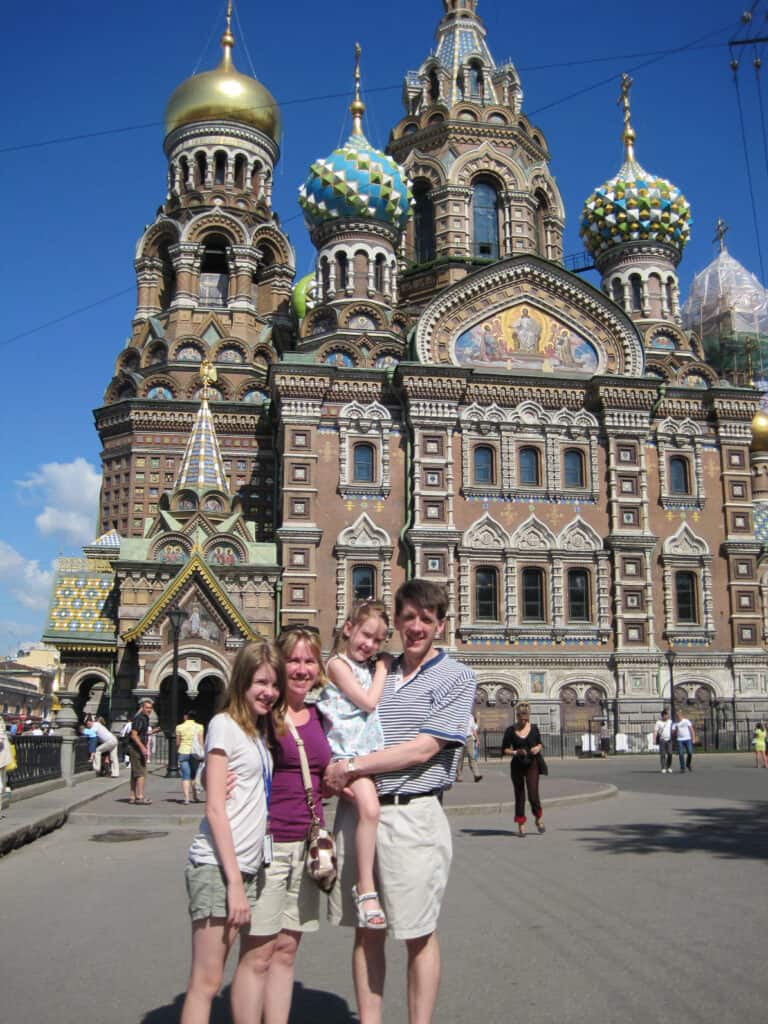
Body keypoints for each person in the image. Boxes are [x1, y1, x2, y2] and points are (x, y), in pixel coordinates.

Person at [326, 579, 477, 1024]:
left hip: (413, 813)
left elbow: (423, 748)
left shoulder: (457, 676)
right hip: (359, 809)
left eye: (426, 620)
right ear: (396, 621)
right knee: (366, 931)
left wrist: (353, 765)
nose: (416, 627)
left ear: (441, 625)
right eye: (408, 617)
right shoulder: (375, 668)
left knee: (418, 932)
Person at [181, 641, 282, 1024]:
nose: (268, 692)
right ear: (241, 681)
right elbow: (215, 807)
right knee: (206, 982)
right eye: (260, 682)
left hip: (247, 866)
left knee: (250, 962)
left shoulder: (255, 732)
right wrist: (234, 882)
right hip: (219, 868)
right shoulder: (224, 724)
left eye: (273, 685)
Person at [244, 627, 333, 1024]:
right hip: (268, 844)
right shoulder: (264, 715)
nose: (301, 669)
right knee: (258, 954)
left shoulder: (321, 716)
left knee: (285, 950)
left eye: (309, 661)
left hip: (308, 846)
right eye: (293, 660)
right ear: (279, 665)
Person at [316, 599, 390, 929]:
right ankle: (366, 888)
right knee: (371, 811)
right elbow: (369, 702)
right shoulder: (337, 664)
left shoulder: (361, 667)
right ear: (348, 629)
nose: (370, 645)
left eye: (377, 641)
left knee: (370, 811)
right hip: (348, 757)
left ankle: (366, 882)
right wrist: (384, 669)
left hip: (362, 755)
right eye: (366, 635)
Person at [502, 703, 545, 837]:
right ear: (517, 716)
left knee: (533, 794)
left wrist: (537, 748)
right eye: (521, 719)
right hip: (517, 765)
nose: (523, 721)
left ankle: (538, 818)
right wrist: (515, 752)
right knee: (520, 795)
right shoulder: (510, 730)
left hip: (532, 763)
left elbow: (540, 744)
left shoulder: (534, 728)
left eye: (525, 719)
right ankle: (521, 824)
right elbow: (504, 749)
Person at [127, 698, 154, 804]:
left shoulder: (145, 719)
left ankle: (132, 796)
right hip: (136, 749)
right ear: (142, 708)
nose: (149, 710)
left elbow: (142, 734)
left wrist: (154, 731)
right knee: (141, 773)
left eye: (150, 708)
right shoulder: (140, 719)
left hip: (137, 747)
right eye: (147, 708)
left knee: (135, 773)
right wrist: (143, 747)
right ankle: (140, 796)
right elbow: (134, 735)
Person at [177, 711, 204, 803]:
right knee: (194, 775)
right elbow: (200, 742)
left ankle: (186, 798)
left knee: (185, 776)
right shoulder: (199, 727)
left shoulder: (179, 727)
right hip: (195, 753)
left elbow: (177, 742)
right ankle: (195, 796)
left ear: (186, 716)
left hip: (183, 751)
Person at [456, 712, 483, 783]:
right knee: (459, 758)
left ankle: (476, 775)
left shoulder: (470, 716)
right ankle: (459, 776)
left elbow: (473, 729)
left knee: (472, 757)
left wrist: (477, 739)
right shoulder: (458, 715)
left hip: (469, 738)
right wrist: (459, 726)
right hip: (460, 738)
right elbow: (453, 726)